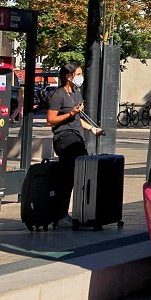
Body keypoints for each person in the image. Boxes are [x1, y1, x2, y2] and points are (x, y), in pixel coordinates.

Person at [47, 63, 103, 226]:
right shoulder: (59, 95)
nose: (80, 77)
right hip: (64, 138)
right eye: (77, 74)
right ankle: (61, 212)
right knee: (69, 176)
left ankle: (72, 211)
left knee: (77, 174)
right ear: (68, 76)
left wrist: (92, 128)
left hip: (76, 137)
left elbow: (78, 120)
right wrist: (70, 113)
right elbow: (50, 120)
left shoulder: (76, 94)